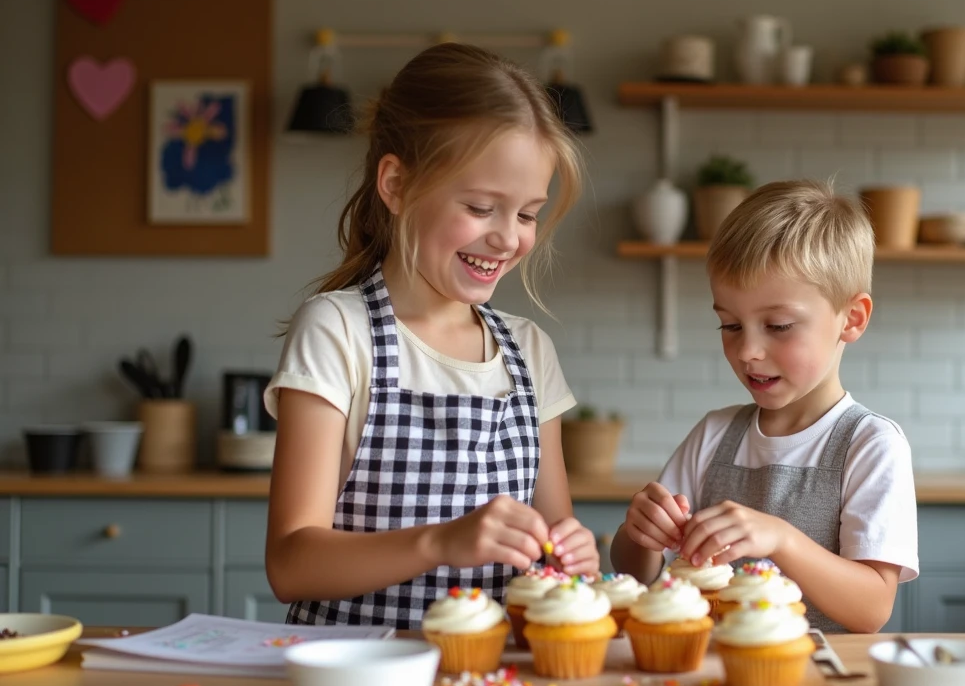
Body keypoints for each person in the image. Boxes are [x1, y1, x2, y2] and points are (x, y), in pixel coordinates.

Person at [264, 43, 598, 629]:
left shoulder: (528, 350)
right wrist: (441, 543)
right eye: (480, 206)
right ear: (395, 184)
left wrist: (573, 560)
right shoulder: (339, 332)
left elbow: (551, 550)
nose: (507, 239)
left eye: (526, 214)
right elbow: (292, 565)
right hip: (359, 683)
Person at [610, 180, 919, 633]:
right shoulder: (714, 435)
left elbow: (873, 608)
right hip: (709, 682)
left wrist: (782, 539)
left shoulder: (870, 444)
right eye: (730, 325)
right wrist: (642, 535)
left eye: (778, 326)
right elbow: (635, 573)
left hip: (813, 684)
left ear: (851, 319)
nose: (748, 350)